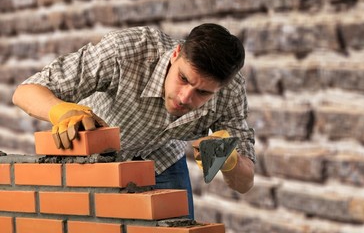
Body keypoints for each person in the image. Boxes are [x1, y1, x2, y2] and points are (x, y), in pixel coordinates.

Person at [12, 23, 256, 219]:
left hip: (160, 159)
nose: (184, 98)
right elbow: (25, 91)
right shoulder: (128, 50)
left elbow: (245, 183)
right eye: (183, 78)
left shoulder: (231, 92)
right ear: (175, 54)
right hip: (96, 158)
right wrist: (61, 111)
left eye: (203, 93)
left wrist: (229, 159)